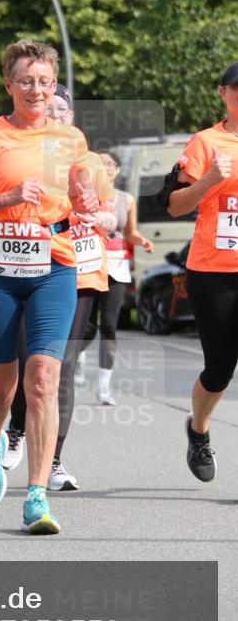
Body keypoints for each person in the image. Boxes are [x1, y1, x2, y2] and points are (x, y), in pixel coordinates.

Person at [0, 39, 104, 535]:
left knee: (43, 381)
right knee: (1, 387)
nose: (36, 90)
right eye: (25, 81)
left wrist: (86, 200)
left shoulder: (71, 139)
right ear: (9, 84)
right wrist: (8, 196)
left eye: (44, 81)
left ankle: (36, 495)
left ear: (53, 84)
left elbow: (83, 201)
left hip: (55, 267)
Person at [3, 85, 116, 490]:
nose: (55, 114)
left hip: (80, 271)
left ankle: (54, 461)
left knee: (60, 368)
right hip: (28, 267)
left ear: (71, 116)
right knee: (23, 362)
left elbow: (110, 218)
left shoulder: (89, 161)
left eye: (61, 109)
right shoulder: (25, 154)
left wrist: (98, 218)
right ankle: (17, 428)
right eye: (48, 108)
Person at [168, 61, 238, 481]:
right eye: (237, 89)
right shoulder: (205, 142)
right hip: (214, 270)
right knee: (219, 369)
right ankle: (198, 429)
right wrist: (209, 179)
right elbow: (176, 204)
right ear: (223, 94)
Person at [82, 150, 153, 405]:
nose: (105, 167)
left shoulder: (127, 199)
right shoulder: (84, 196)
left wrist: (140, 240)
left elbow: (130, 231)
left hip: (117, 268)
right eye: (100, 164)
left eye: (109, 164)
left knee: (109, 325)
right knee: (86, 328)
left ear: (118, 170)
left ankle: (104, 387)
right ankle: (73, 362)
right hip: (89, 265)